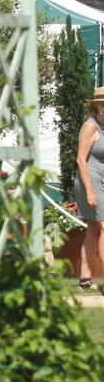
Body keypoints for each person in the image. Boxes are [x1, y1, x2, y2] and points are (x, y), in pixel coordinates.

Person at [74, 87, 104, 292]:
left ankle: (85, 279)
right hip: (89, 181)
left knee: (93, 229)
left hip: (101, 180)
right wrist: (90, 191)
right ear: (99, 107)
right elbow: (80, 160)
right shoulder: (90, 127)